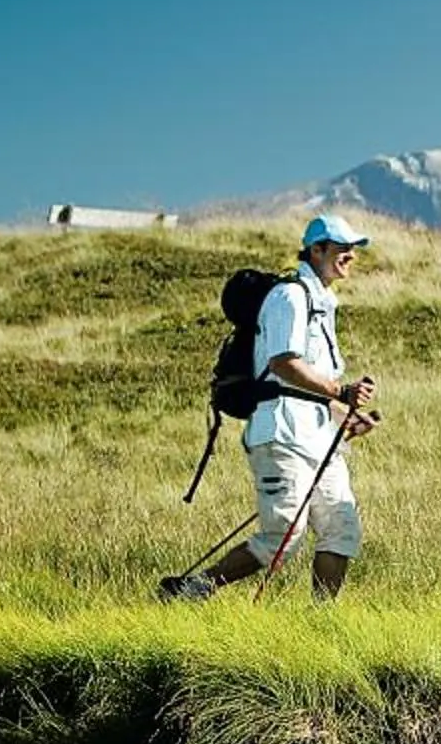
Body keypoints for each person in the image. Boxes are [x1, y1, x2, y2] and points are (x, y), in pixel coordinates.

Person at [160, 213, 380, 603]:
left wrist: (347, 416)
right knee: (283, 534)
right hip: (281, 434)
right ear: (316, 249)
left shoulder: (323, 302)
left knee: (342, 529)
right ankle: (196, 589)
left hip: (317, 436)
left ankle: (323, 622)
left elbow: (311, 387)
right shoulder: (290, 296)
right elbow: (283, 364)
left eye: (353, 248)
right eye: (341, 247)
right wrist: (341, 390)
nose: (350, 255)